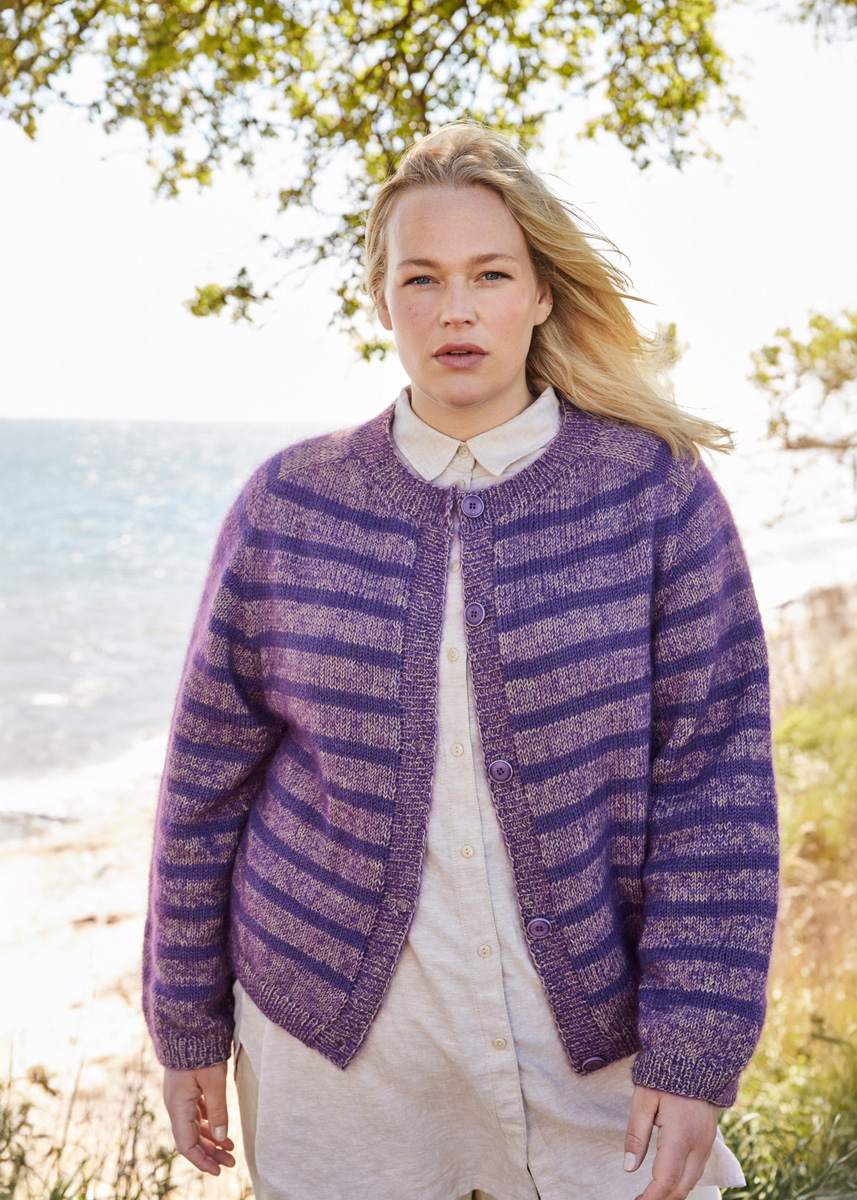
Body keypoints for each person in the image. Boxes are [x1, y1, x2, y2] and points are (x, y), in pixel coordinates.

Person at [143, 122, 779, 1200]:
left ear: (539, 293)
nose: (455, 309)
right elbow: (205, 783)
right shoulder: (290, 505)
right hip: (337, 1059)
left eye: (489, 274)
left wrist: (694, 1050)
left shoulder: (651, 492)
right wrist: (186, 1021)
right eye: (421, 278)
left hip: (595, 1053)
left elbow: (713, 785)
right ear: (381, 302)